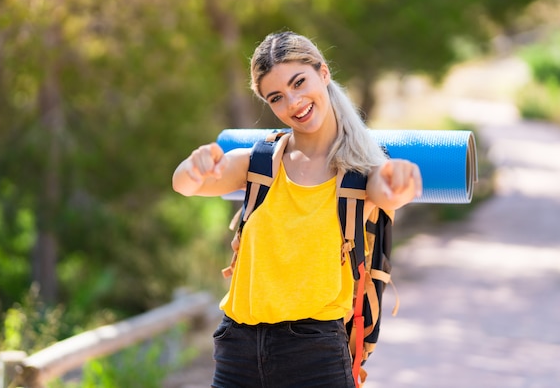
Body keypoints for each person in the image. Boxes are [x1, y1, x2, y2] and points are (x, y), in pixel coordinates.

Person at [172, 31, 422, 388]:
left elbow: (389, 191)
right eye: (277, 97)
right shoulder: (256, 163)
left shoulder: (361, 172)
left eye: (299, 82)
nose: (293, 102)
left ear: (323, 73)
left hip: (315, 355)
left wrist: (400, 180)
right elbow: (184, 185)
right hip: (238, 349)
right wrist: (194, 167)